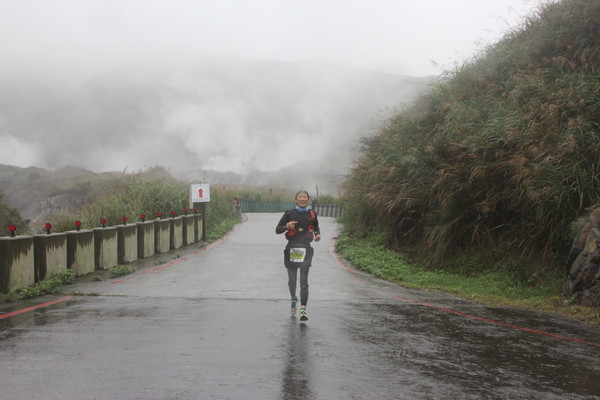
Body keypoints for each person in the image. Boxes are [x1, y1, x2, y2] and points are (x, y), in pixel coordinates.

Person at [275, 190, 321, 321]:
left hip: (306, 249)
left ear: (308, 200)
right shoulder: (289, 213)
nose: (302, 199)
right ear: (296, 200)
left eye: (304, 197)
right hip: (292, 249)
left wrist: (317, 235)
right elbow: (277, 230)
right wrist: (286, 226)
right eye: (300, 197)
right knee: (293, 280)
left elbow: (316, 227)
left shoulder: (312, 214)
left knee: (304, 281)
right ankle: (293, 299)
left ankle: (303, 309)